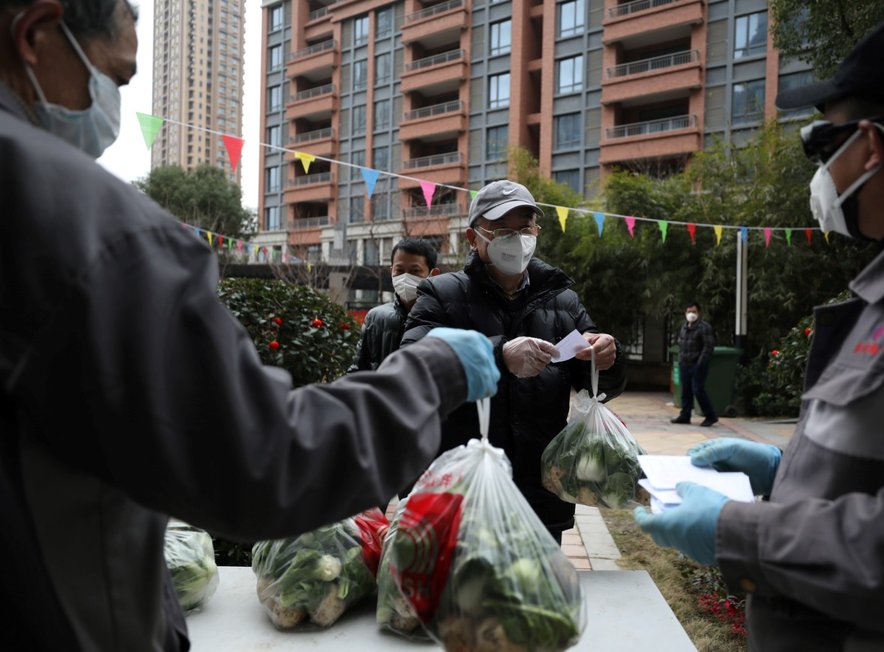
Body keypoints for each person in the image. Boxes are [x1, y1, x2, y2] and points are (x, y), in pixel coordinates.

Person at [0, 1, 500, 649]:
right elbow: (262, 458)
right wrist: (434, 374)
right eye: (116, 80)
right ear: (36, 34)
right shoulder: (81, 224)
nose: (114, 108)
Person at [634, 7, 884, 651]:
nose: (821, 174)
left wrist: (739, 533)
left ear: (874, 146)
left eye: (824, 144)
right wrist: (787, 471)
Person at [402, 179, 628, 543]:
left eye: (525, 229)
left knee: (535, 594)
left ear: (537, 232)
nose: (517, 239)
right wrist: (497, 355)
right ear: (473, 238)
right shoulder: (441, 295)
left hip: (539, 497)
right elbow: (413, 367)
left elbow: (597, 382)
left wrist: (607, 357)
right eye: (503, 230)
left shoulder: (563, 300)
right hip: (464, 494)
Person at [348, 236, 440, 372]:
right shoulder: (375, 318)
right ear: (391, 271)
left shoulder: (444, 319)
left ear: (433, 274)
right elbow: (358, 371)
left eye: (415, 271)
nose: (405, 277)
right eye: (400, 270)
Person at [670, 301, 718, 427]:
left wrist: (700, 363)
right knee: (685, 391)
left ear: (699, 313)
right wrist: (681, 360)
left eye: (694, 312)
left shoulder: (704, 327)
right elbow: (681, 345)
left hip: (698, 365)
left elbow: (708, 346)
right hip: (685, 363)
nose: (691, 314)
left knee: (698, 390)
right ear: (685, 313)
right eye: (689, 311)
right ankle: (685, 415)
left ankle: (710, 415)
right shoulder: (684, 327)